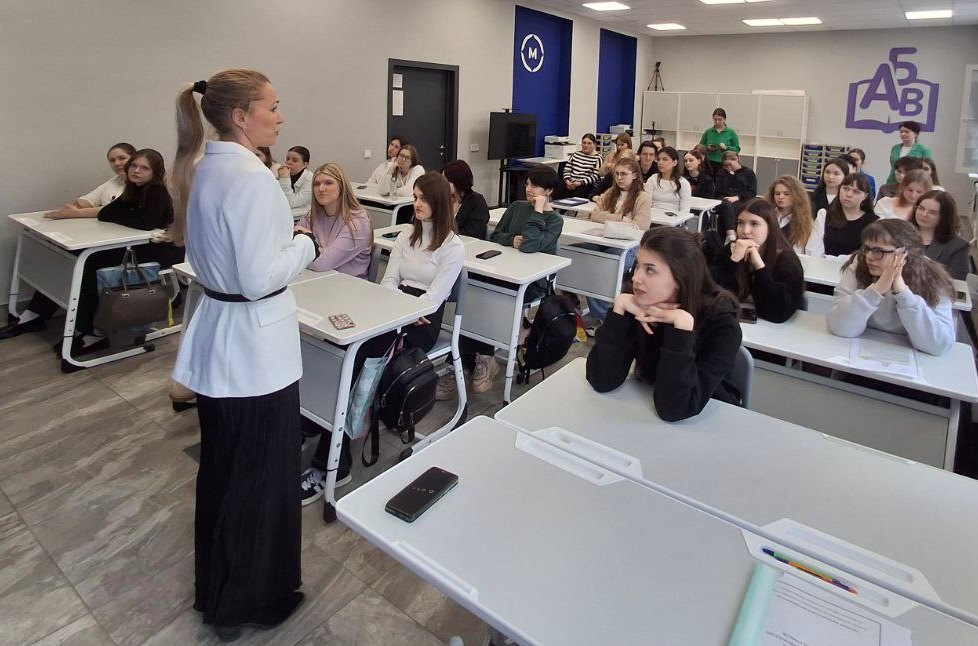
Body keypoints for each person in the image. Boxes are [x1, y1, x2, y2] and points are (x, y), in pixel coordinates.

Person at [170, 69, 318, 641]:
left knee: (224, 472)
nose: (281, 117)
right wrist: (304, 244)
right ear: (240, 116)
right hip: (256, 350)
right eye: (272, 107)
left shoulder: (204, 168)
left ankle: (218, 591)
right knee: (261, 479)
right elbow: (258, 279)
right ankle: (251, 601)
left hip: (222, 338)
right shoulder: (253, 179)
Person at [305, 172, 465, 497]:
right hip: (394, 306)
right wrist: (392, 308)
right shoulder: (407, 235)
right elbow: (389, 279)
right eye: (415, 197)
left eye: (423, 199)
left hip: (422, 320)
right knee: (341, 347)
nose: (416, 203)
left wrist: (405, 311)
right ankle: (315, 421)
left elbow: (435, 297)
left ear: (439, 203)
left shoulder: (453, 247)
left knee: (360, 358)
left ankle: (333, 464)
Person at [2, 149, 182, 353]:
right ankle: (36, 314)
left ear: (155, 172)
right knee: (70, 256)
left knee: (91, 263)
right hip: (136, 244)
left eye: (144, 168)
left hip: (163, 249)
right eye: (134, 166)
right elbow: (106, 213)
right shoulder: (132, 189)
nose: (136, 171)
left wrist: (121, 215)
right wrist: (124, 215)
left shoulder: (157, 190)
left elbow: (146, 223)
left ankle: (93, 332)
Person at [585, 227, 743, 422]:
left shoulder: (722, 324)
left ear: (681, 277)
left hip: (707, 421)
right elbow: (601, 380)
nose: (635, 278)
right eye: (637, 265)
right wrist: (619, 309)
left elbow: (675, 409)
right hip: (647, 414)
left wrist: (682, 329)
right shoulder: (638, 302)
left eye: (650, 270)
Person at [439, 165, 562, 398]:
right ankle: (474, 360)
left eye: (535, 185)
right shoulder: (516, 207)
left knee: (485, 296)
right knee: (473, 291)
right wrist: (512, 239)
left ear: (548, 190)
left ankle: (478, 359)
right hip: (502, 270)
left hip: (530, 282)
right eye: (527, 183)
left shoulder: (555, 220)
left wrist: (537, 212)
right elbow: (495, 236)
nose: (528, 189)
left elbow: (531, 245)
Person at [827, 219, 955, 356]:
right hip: (859, 349)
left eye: (878, 251)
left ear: (904, 254)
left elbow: (939, 345)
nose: (869, 257)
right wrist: (875, 291)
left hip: (910, 356)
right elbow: (839, 328)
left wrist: (903, 294)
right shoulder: (858, 264)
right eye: (867, 248)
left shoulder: (932, 277)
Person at [582, 157, 652, 329]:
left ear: (634, 175)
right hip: (604, 240)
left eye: (624, 174)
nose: (619, 178)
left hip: (630, 247)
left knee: (601, 269)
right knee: (579, 257)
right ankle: (598, 312)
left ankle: (605, 317)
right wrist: (621, 218)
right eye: (617, 174)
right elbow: (595, 215)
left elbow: (641, 225)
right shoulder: (610, 193)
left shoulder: (642, 197)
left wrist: (609, 218)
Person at [709, 199, 805, 323]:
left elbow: (778, 313)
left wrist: (759, 267)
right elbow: (711, 295)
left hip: (773, 328)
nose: (745, 231)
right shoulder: (731, 250)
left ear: (770, 227)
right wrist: (733, 261)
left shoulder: (787, 260)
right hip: (737, 323)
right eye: (740, 223)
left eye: (754, 224)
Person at [297, 162, 372, 278]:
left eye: (328, 183)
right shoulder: (312, 215)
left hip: (348, 284)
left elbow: (321, 263)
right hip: (316, 278)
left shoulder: (357, 221)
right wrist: (320, 251)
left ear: (342, 186)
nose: (321, 189)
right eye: (316, 184)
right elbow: (290, 250)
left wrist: (308, 241)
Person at [44, 143, 136, 220]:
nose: (117, 163)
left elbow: (116, 211)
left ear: (134, 159)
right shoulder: (114, 181)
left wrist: (76, 213)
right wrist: (75, 206)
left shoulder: (140, 184)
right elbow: (89, 199)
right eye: (112, 160)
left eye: (122, 158)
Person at [911, 190, 970, 280]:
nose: (924, 214)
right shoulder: (901, 233)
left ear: (944, 216)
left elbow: (955, 282)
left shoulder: (958, 246)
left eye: (932, 212)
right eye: (921, 208)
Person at [822, 173, 878, 258]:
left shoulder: (874, 222)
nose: (848, 194)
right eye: (845, 188)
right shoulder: (824, 215)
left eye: (856, 192)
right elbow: (813, 248)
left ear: (865, 196)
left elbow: (867, 254)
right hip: (823, 264)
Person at [768, 175, 824, 256]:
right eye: (777, 193)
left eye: (786, 194)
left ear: (796, 195)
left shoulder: (806, 223)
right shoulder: (768, 215)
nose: (781, 197)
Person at [714, 151, 757, 241]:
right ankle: (730, 233)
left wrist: (737, 197)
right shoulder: (722, 172)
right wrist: (729, 175)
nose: (730, 164)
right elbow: (719, 190)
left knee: (730, 210)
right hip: (724, 198)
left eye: (732, 160)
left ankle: (730, 236)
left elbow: (752, 192)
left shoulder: (748, 172)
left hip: (741, 199)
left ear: (737, 160)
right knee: (726, 205)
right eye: (727, 162)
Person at [442, 159, 489, 239]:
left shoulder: (477, 201)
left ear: (458, 181)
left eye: (447, 181)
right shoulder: (442, 199)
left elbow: (475, 232)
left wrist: (446, 234)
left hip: (467, 243)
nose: (442, 184)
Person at [645, 146, 691, 213]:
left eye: (665, 159)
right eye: (659, 159)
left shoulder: (683, 183)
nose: (660, 162)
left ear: (674, 162)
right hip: (653, 216)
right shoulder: (652, 179)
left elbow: (685, 210)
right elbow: (646, 203)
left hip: (674, 217)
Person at [886, 120, 933, 185]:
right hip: (893, 182)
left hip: (913, 183)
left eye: (907, 132)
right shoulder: (895, 148)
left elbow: (927, 170)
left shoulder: (924, 150)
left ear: (915, 134)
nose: (903, 134)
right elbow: (893, 167)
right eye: (901, 132)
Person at [561, 133, 602, 198]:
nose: (586, 145)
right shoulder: (575, 155)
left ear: (594, 144)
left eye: (589, 143)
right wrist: (567, 181)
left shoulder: (598, 158)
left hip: (585, 185)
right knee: (558, 190)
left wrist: (580, 183)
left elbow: (595, 176)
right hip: (571, 182)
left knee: (578, 193)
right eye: (584, 143)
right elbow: (567, 170)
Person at [277, 145, 312, 218]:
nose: (289, 162)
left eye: (295, 160)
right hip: (286, 215)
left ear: (305, 164)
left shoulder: (310, 179)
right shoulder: (284, 173)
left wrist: (284, 179)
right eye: (287, 159)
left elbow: (291, 203)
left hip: (303, 218)